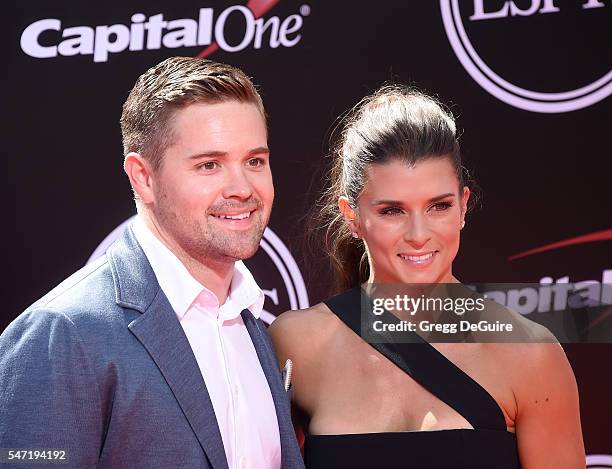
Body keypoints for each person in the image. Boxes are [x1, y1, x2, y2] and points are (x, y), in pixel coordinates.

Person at [0, 57, 304, 469]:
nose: (242, 188)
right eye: (209, 165)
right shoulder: (63, 334)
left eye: (254, 161)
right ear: (143, 177)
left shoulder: (251, 321)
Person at [270, 85, 585, 468]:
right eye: (392, 211)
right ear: (352, 217)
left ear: (463, 207)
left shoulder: (530, 355)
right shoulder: (297, 345)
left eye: (439, 206)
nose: (419, 235)